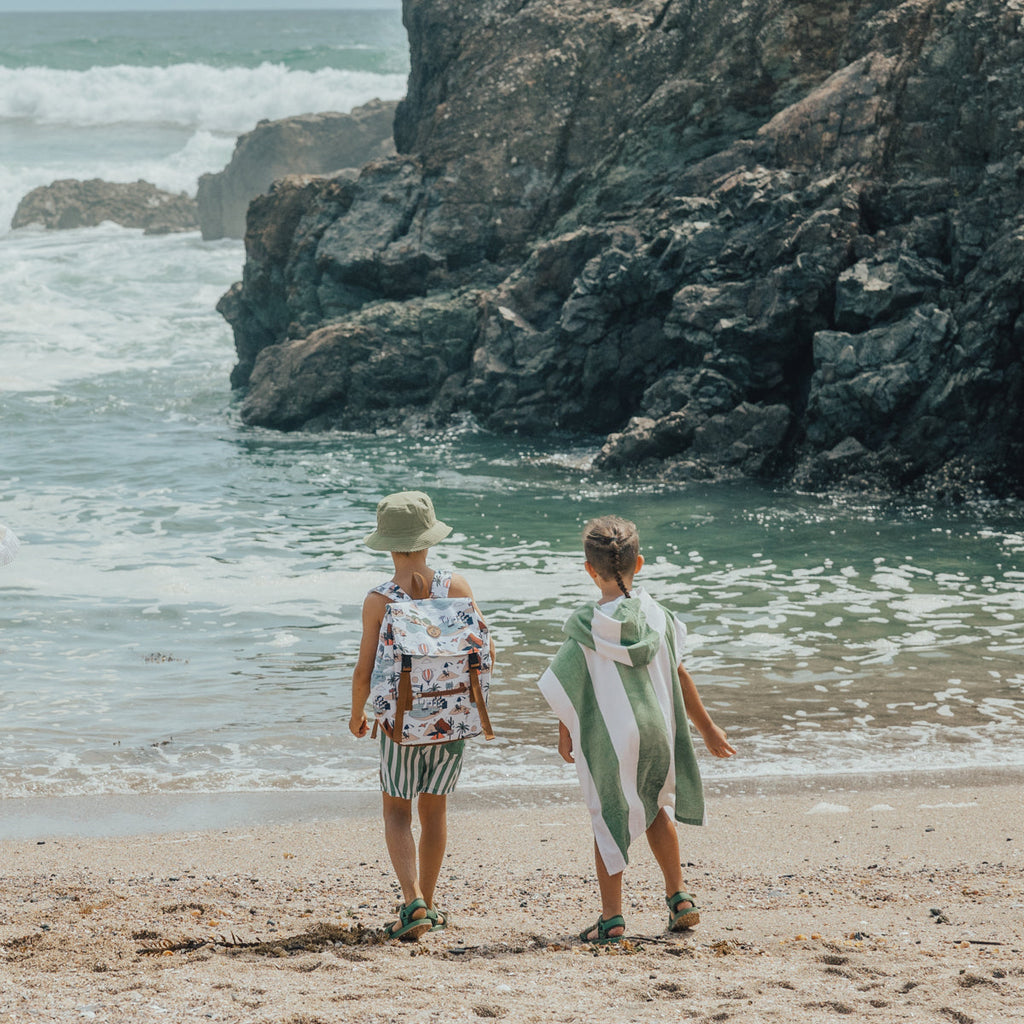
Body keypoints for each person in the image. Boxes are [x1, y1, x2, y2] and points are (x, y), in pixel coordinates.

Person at [537, 514, 735, 944]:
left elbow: (566, 685)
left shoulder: (584, 628)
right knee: (654, 809)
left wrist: (565, 731)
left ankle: (612, 917)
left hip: (615, 737)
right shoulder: (660, 617)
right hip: (659, 731)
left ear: (590, 571)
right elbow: (682, 676)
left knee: (608, 818)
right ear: (638, 563)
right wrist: (708, 728)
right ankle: (679, 897)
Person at [349, 491, 494, 941]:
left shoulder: (379, 600)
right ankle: (427, 904)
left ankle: (411, 903)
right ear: (429, 540)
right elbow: (484, 650)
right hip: (452, 719)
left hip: (399, 725)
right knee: (435, 812)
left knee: (397, 811)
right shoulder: (457, 587)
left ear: (388, 545)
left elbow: (365, 668)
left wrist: (358, 714)